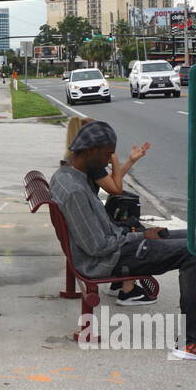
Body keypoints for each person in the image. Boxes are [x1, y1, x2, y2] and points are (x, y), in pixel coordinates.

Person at [50, 120, 196, 364]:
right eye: (107, 154)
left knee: (195, 240)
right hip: (107, 260)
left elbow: (99, 235)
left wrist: (136, 233)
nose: (109, 160)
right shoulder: (74, 189)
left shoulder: (70, 175)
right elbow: (97, 247)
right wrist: (139, 235)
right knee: (193, 253)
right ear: (91, 151)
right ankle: (194, 342)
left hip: (114, 249)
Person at [61, 116, 151, 302]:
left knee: (127, 221)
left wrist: (131, 161)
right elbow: (116, 188)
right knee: (132, 224)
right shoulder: (92, 166)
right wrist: (116, 160)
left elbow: (110, 183)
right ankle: (128, 289)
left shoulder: (73, 162)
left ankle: (120, 283)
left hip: (90, 216)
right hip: (93, 221)